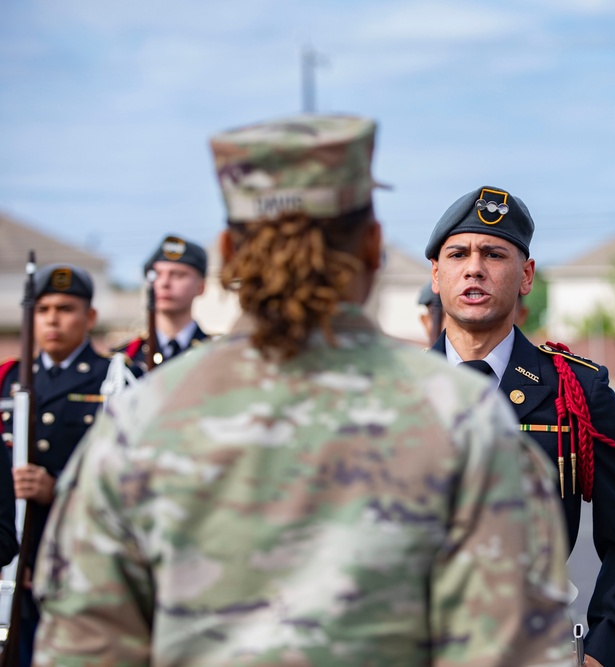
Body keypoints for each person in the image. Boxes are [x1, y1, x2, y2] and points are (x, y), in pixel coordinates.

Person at [32, 116, 574, 666]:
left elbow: (83, 644)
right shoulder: (465, 421)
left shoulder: (141, 419)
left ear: (229, 252)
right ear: (372, 247)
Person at [425, 185, 615, 667]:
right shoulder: (392, 396)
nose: (474, 267)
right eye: (458, 254)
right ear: (436, 274)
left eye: (494, 254)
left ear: (526, 275)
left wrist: (603, 655)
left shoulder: (576, 393)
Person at [0, 264, 122, 666]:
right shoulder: (9, 380)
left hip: (81, 553)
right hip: (16, 556)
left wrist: (59, 489)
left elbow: (128, 479)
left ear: (90, 317)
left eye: (66, 308)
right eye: (44, 308)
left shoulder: (115, 379)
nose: (52, 318)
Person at [116, 235, 211, 370]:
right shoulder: (125, 357)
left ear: (201, 287)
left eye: (178, 275)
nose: (164, 283)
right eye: (157, 274)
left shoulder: (216, 353)